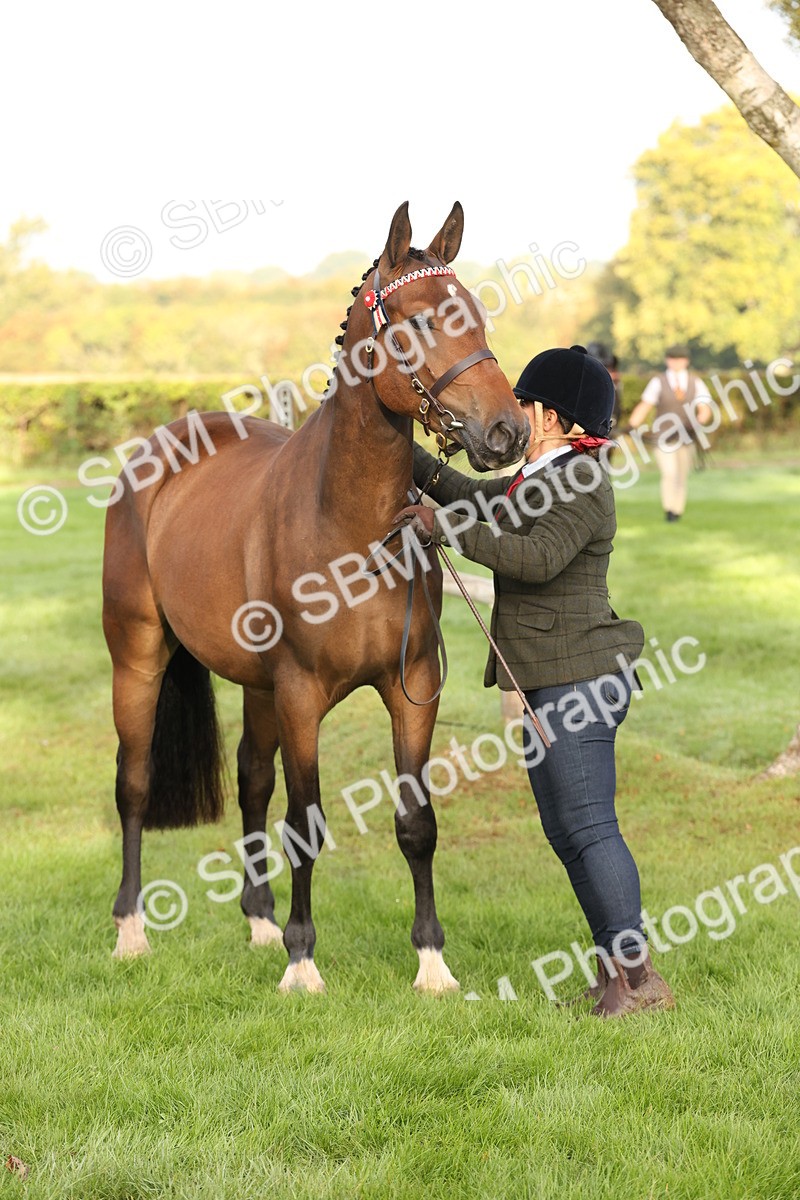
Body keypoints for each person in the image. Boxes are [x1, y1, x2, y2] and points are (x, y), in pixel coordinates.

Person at [393, 345, 675, 1018]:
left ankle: (639, 982)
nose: (514, 411)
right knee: (566, 829)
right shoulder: (543, 475)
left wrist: (445, 528)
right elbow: (473, 496)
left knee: (590, 828)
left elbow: (538, 559)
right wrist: (401, 448)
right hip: (550, 680)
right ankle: (619, 971)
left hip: (581, 679)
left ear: (551, 415)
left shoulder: (583, 482)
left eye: (524, 401)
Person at [625, 343, 713, 522]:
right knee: (669, 473)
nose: (676, 362)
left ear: (686, 361)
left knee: (681, 475)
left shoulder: (695, 382)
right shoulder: (658, 381)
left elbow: (705, 408)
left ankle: (678, 509)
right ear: (667, 360)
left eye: (680, 359)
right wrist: (631, 424)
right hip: (663, 436)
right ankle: (669, 510)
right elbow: (645, 405)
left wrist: (699, 420)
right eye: (673, 359)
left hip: (686, 436)